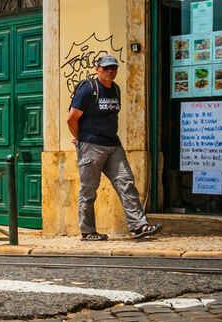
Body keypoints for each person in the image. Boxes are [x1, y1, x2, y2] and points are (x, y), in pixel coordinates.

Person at [67, 54, 162, 241]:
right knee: (89, 190)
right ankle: (88, 232)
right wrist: (80, 140)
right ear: (97, 69)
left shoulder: (116, 89)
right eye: (106, 68)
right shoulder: (88, 89)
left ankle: (138, 226)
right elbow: (71, 118)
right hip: (91, 146)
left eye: (113, 68)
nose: (110, 71)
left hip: (113, 145)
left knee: (126, 183)